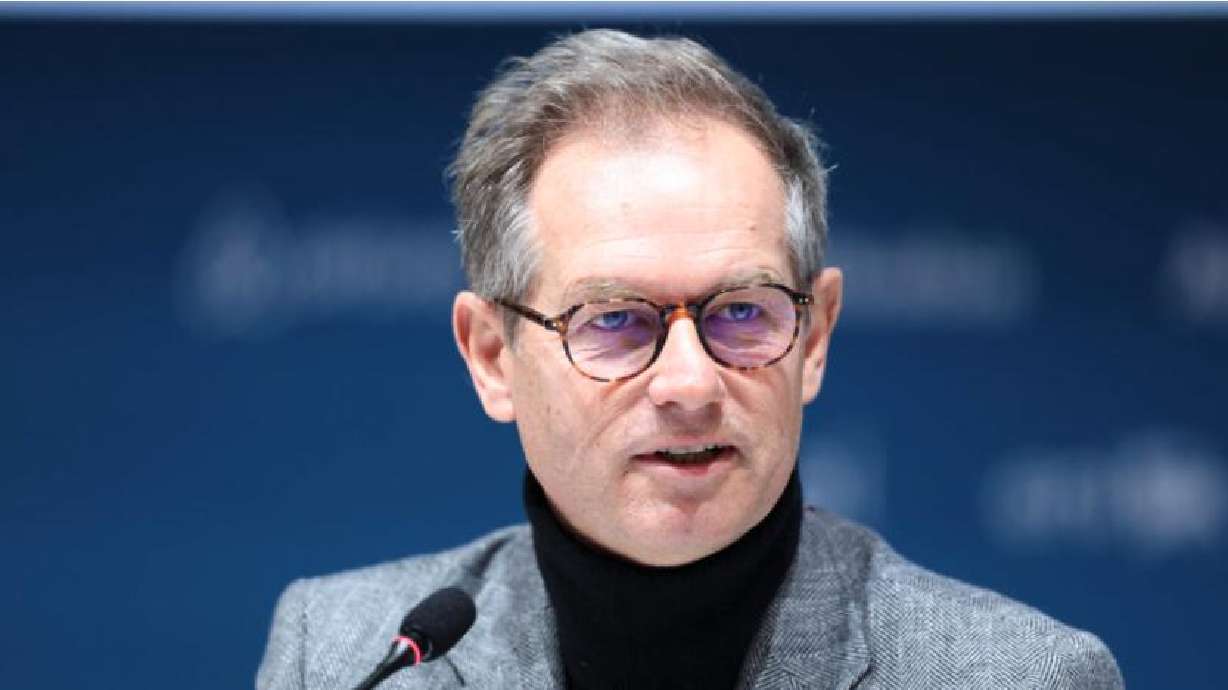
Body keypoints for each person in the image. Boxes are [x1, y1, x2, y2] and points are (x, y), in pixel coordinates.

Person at [257, 29, 1123, 689]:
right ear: (493, 356)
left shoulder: (1017, 675)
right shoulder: (344, 656)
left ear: (814, 338)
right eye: (614, 321)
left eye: (741, 312)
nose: (687, 383)